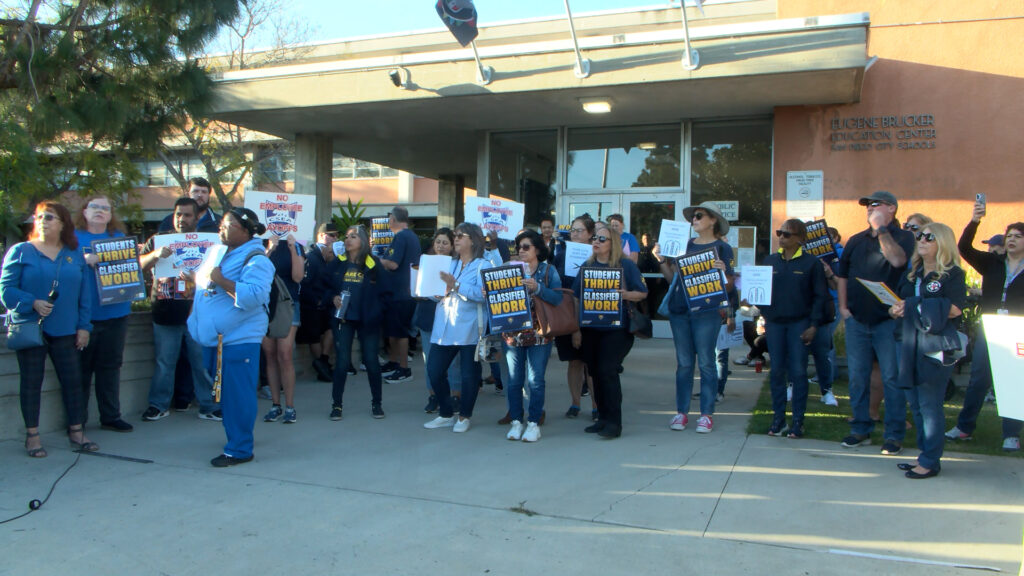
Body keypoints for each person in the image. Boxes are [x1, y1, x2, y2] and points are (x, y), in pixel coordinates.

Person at [1, 201, 96, 457]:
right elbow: (6, 290)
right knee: (31, 382)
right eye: (40, 217)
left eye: (50, 217)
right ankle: (32, 436)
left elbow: (84, 295)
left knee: (73, 381)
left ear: (63, 223)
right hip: (32, 328)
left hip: (66, 330)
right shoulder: (20, 251)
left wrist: (84, 326)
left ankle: (76, 431)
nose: (43, 221)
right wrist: (31, 302)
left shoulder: (73, 254)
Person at [188, 207, 274, 467]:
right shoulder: (221, 253)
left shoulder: (257, 259)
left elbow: (255, 295)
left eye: (228, 225)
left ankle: (240, 449)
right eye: (221, 225)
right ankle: (237, 434)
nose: (221, 229)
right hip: (215, 340)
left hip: (238, 340)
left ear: (246, 230)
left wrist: (222, 281)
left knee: (238, 395)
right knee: (225, 394)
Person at [837, 190, 916, 453]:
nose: (870, 208)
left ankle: (893, 434)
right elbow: (843, 276)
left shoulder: (904, 237)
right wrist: (844, 308)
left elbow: (897, 260)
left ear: (892, 208)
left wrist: (881, 230)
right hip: (858, 320)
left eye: (875, 204)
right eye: (867, 205)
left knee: (892, 378)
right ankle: (861, 428)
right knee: (858, 378)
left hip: (889, 322)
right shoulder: (856, 241)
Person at [889, 222, 967, 478]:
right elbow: (902, 301)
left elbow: (955, 308)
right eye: (920, 236)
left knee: (930, 404)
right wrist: (896, 308)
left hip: (934, 346)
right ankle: (926, 455)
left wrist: (915, 305)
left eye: (928, 237)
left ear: (942, 242)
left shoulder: (952, 273)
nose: (921, 240)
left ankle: (931, 460)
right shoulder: (914, 272)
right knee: (916, 404)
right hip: (909, 341)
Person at [946, 203, 1024, 452]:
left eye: (1018, 237)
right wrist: (975, 221)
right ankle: (964, 427)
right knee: (979, 378)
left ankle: (1011, 434)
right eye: (1009, 236)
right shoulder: (992, 262)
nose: (1011, 240)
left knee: (1013, 382)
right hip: (989, 327)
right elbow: (964, 248)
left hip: (1016, 328)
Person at [139, 197, 220, 422]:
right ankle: (158, 405)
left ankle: (208, 406)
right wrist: (154, 256)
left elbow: (219, 276)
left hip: (198, 312)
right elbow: (137, 266)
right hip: (165, 312)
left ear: (197, 218)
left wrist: (197, 278)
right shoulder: (158, 240)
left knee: (201, 363)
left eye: (187, 215)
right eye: (178, 214)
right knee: (164, 363)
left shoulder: (211, 243)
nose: (181, 219)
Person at [655, 201, 734, 434]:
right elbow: (673, 279)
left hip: (707, 312)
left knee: (707, 362)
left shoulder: (723, 248)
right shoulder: (685, 245)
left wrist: (722, 273)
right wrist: (660, 260)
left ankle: (706, 414)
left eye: (699, 216)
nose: (694, 220)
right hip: (680, 311)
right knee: (684, 364)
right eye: (693, 217)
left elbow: (730, 285)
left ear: (713, 221)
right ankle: (681, 412)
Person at [573, 222, 647, 439]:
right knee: (595, 373)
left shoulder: (625, 266)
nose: (596, 241)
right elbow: (577, 298)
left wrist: (625, 294)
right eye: (594, 238)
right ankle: (602, 418)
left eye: (601, 239)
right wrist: (576, 329)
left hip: (617, 329)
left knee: (608, 371)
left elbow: (642, 293)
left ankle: (614, 423)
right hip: (590, 328)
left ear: (612, 243)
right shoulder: (587, 267)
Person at [759, 219, 826, 438]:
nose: (782, 236)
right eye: (780, 232)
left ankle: (798, 420)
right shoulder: (770, 261)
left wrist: (814, 325)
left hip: (800, 323)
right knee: (777, 371)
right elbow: (760, 291)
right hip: (775, 323)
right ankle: (778, 418)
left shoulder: (811, 264)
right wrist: (760, 311)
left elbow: (820, 297)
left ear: (801, 239)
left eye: (788, 234)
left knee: (798, 372)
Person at [73, 194, 133, 433]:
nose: (99, 211)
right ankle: (78, 421)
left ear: (111, 215)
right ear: (84, 211)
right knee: (81, 370)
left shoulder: (118, 238)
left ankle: (111, 416)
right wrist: (83, 260)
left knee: (110, 367)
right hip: (84, 316)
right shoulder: (72, 238)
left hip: (116, 312)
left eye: (105, 208)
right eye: (94, 207)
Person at [423, 223, 491, 433]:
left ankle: (464, 416)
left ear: (472, 239)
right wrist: (435, 292)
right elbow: (437, 291)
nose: (456, 239)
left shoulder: (483, 265)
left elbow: (483, 295)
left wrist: (457, 286)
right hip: (444, 326)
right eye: (455, 236)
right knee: (434, 371)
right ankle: (445, 413)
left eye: (460, 236)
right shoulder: (449, 263)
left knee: (469, 375)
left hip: (469, 328)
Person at [503, 229, 563, 442]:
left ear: (537, 249)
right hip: (513, 333)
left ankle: (534, 422)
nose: (521, 250)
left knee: (535, 379)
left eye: (526, 246)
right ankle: (516, 421)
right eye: (519, 247)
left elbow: (557, 298)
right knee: (513, 380)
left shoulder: (548, 271)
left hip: (539, 333)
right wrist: (490, 293)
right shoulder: (510, 269)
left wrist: (538, 288)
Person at [324, 225, 389, 420]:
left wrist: (376, 312)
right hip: (343, 319)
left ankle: (377, 403)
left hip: (367, 320)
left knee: (371, 361)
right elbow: (323, 286)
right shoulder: (338, 263)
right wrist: (332, 297)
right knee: (342, 362)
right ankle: (337, 405)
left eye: (353, 237)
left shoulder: (373, 264)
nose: (348, 240)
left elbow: (386, 293)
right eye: (347, 237)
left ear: (362, 241)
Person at [552, 214, 597, 420]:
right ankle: (575, 403)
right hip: (567, 312)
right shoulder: (561, 253)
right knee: (574, 361)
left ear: (590, 234)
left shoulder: (598, 255)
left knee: (593, 362)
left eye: (580, 230)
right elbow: (555, 281)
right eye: (573, 230)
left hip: (593, 313)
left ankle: (597, 405)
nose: (575, 234)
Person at [415, 228, 461, 413]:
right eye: (438, 242)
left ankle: (455, 395)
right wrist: (419, 293)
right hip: (428, 315)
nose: (441, 246)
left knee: (453, 360)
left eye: (445, 242)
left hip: (451, 316)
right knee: (430, 359)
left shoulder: (457, 265)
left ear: (452, 246)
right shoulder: (424, 261)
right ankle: (433, 395)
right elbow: (415, 286)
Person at [260, 232, 305, 424]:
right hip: (264, 304)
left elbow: (297, 277)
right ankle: (275, 404)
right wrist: (270, 249)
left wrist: (292, 248)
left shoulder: (296, 245)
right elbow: (256, 272)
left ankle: (290, 405)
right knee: (269, 354)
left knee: (284, 354)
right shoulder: (260, 245)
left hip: (288, 304)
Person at [379, 206, 421, 384]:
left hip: (400, 293)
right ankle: (393, 362)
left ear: (394, 220)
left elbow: (394, 264)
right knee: (394, 331)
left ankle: (403, 368)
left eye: (389, 219)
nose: (389, 223)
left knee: (400, 332)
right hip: (403, 292)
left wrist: (378, 260)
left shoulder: (401, 236)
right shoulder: (410, 236)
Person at [297, 222, 339, 383]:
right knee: (314, 336)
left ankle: (323, 361)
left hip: (324, 303)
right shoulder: (312, 257)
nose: (335, 238)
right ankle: (322, 365)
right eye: (332, 235)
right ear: (321, 236)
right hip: (312, 304)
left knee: (330, 328)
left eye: (336, 235)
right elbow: (305, 283)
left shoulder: (330, 256)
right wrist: (316, 301)